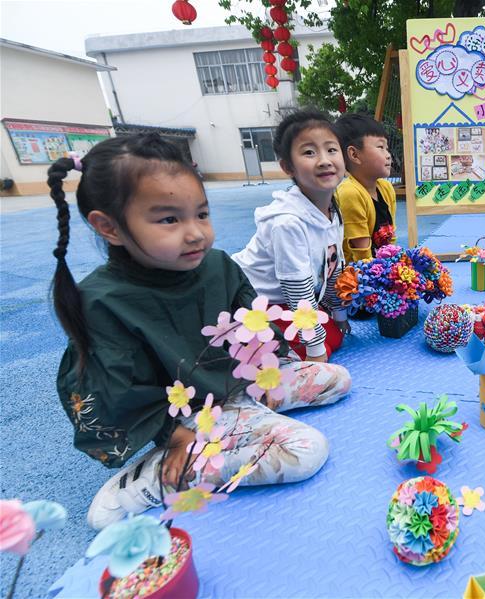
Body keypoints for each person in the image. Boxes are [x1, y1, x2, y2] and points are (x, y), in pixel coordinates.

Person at [50, 134, 351, 530]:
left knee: (336, 379)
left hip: (234, 386)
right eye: (169, 219)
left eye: (202, 214)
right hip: (184, 416)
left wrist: (272, 359)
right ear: (110, 227)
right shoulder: (103, 300)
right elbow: (111, 393)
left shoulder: (216, 265)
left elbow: (251, 331)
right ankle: (162, 477)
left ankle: (243, 416)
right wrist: (173, 435)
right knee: (307, 449)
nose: (195, 233)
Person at [233, 109, 350, 360]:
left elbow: (333, 269)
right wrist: (315, 351)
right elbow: (298, 292)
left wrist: (340, 317)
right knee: (321, 348)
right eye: (309, 152)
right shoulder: (287, 223)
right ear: (288, 167)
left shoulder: (332, 212)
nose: (324, 160)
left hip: (286, 302)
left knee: (334, 336)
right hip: (255, 304)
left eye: (331, 150)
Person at [333, 113, 396, 262]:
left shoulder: (386, 188)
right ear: (354, 155)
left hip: (381, 268)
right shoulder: (350, 193)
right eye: (380, 147)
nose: (388, 155)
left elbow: (391, 241)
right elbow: (362, 258)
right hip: (357, 275)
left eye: (387, 148)